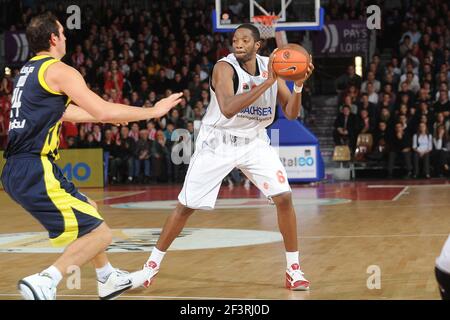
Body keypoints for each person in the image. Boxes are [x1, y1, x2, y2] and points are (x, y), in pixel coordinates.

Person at [1, 13, 182, 300]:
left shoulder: (28, 72)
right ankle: (46, 280)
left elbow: (63, 112)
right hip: (35, 166)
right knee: (102, 234)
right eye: (62, 32)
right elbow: (103, 109)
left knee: (90, 207)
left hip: (19, 167)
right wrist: (152, 112)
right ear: (53, 39)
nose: (66, 36)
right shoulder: (59, 70)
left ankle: (107, 277)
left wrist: (106, 120)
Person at [131, 24, 314, 291]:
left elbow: (290, 114)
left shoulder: (270, 65)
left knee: (284, 197)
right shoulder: (224, 68)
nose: (238, 44)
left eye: (244, 40)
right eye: (234, 40)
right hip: (218, 141)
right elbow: (227, 109)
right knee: (186, 206)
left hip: (254, 141)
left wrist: (297, 87)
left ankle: (293, 270)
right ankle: (150, 268)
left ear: (257, 45)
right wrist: (268, 82)